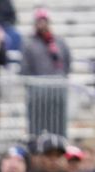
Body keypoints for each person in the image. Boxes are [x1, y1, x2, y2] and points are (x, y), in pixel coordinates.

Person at [21, 10, 72, 138]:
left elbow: (67, 62)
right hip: (37, 94)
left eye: (44, 21)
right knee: (37, 126)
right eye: (39, 22)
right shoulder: (29, 44)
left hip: (57, 92)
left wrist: (59, 80)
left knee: (58, 124)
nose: (42, 25)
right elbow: (25, 68)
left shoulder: (59, 42)